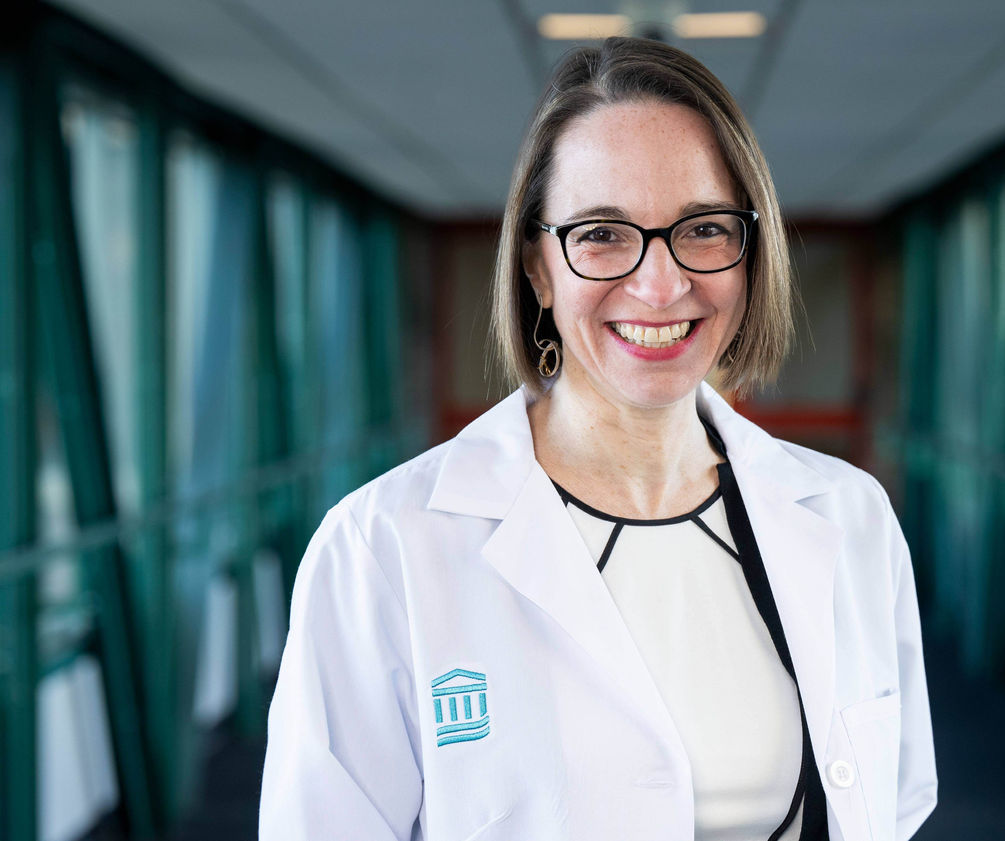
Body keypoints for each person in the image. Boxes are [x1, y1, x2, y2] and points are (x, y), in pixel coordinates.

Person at [260, 36, 936, 841]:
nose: (660, 284)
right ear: (538, 269)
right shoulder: (382, 549)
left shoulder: (852, 519)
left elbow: (896, 802)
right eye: (603, 234)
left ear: (751, 253)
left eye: (705, 228)